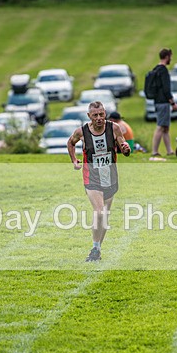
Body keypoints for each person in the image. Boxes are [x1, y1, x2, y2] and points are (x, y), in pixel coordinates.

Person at [67, 101, 131, 262]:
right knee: (99, 211)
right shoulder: (81, 132)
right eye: (95, 115)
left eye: (101, 114)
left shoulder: (114, 128)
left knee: (105, 215)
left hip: (110, 176)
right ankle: (95, 248)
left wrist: (125, 149)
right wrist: (74, 160)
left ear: (105, 114)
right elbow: (70, 143)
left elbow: (123, 146)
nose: (99, 118)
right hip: (91, 177)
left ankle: (97, 249)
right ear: (89, 116)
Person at [150, 48, 177, 157]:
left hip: (157, 101)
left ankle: (169, 150)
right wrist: (172, 103)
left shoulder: (155, 69)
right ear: (167, 57)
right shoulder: (163, 71)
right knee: (161, 126)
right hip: (163, 103)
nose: (171, 59)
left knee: (166, 127)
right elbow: (166, 89)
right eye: (170, 56)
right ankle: (154, 151)